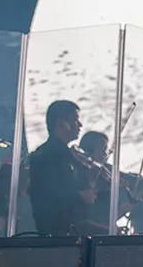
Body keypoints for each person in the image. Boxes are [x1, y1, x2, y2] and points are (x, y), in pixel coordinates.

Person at [26, 100, 104, 236]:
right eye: (75, 119)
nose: (80, 125)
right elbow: (46, 195)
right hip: (58, 234)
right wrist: (80, 195)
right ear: (61, 122)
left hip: (70, 230)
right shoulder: (46, 155)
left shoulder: (66, 155)